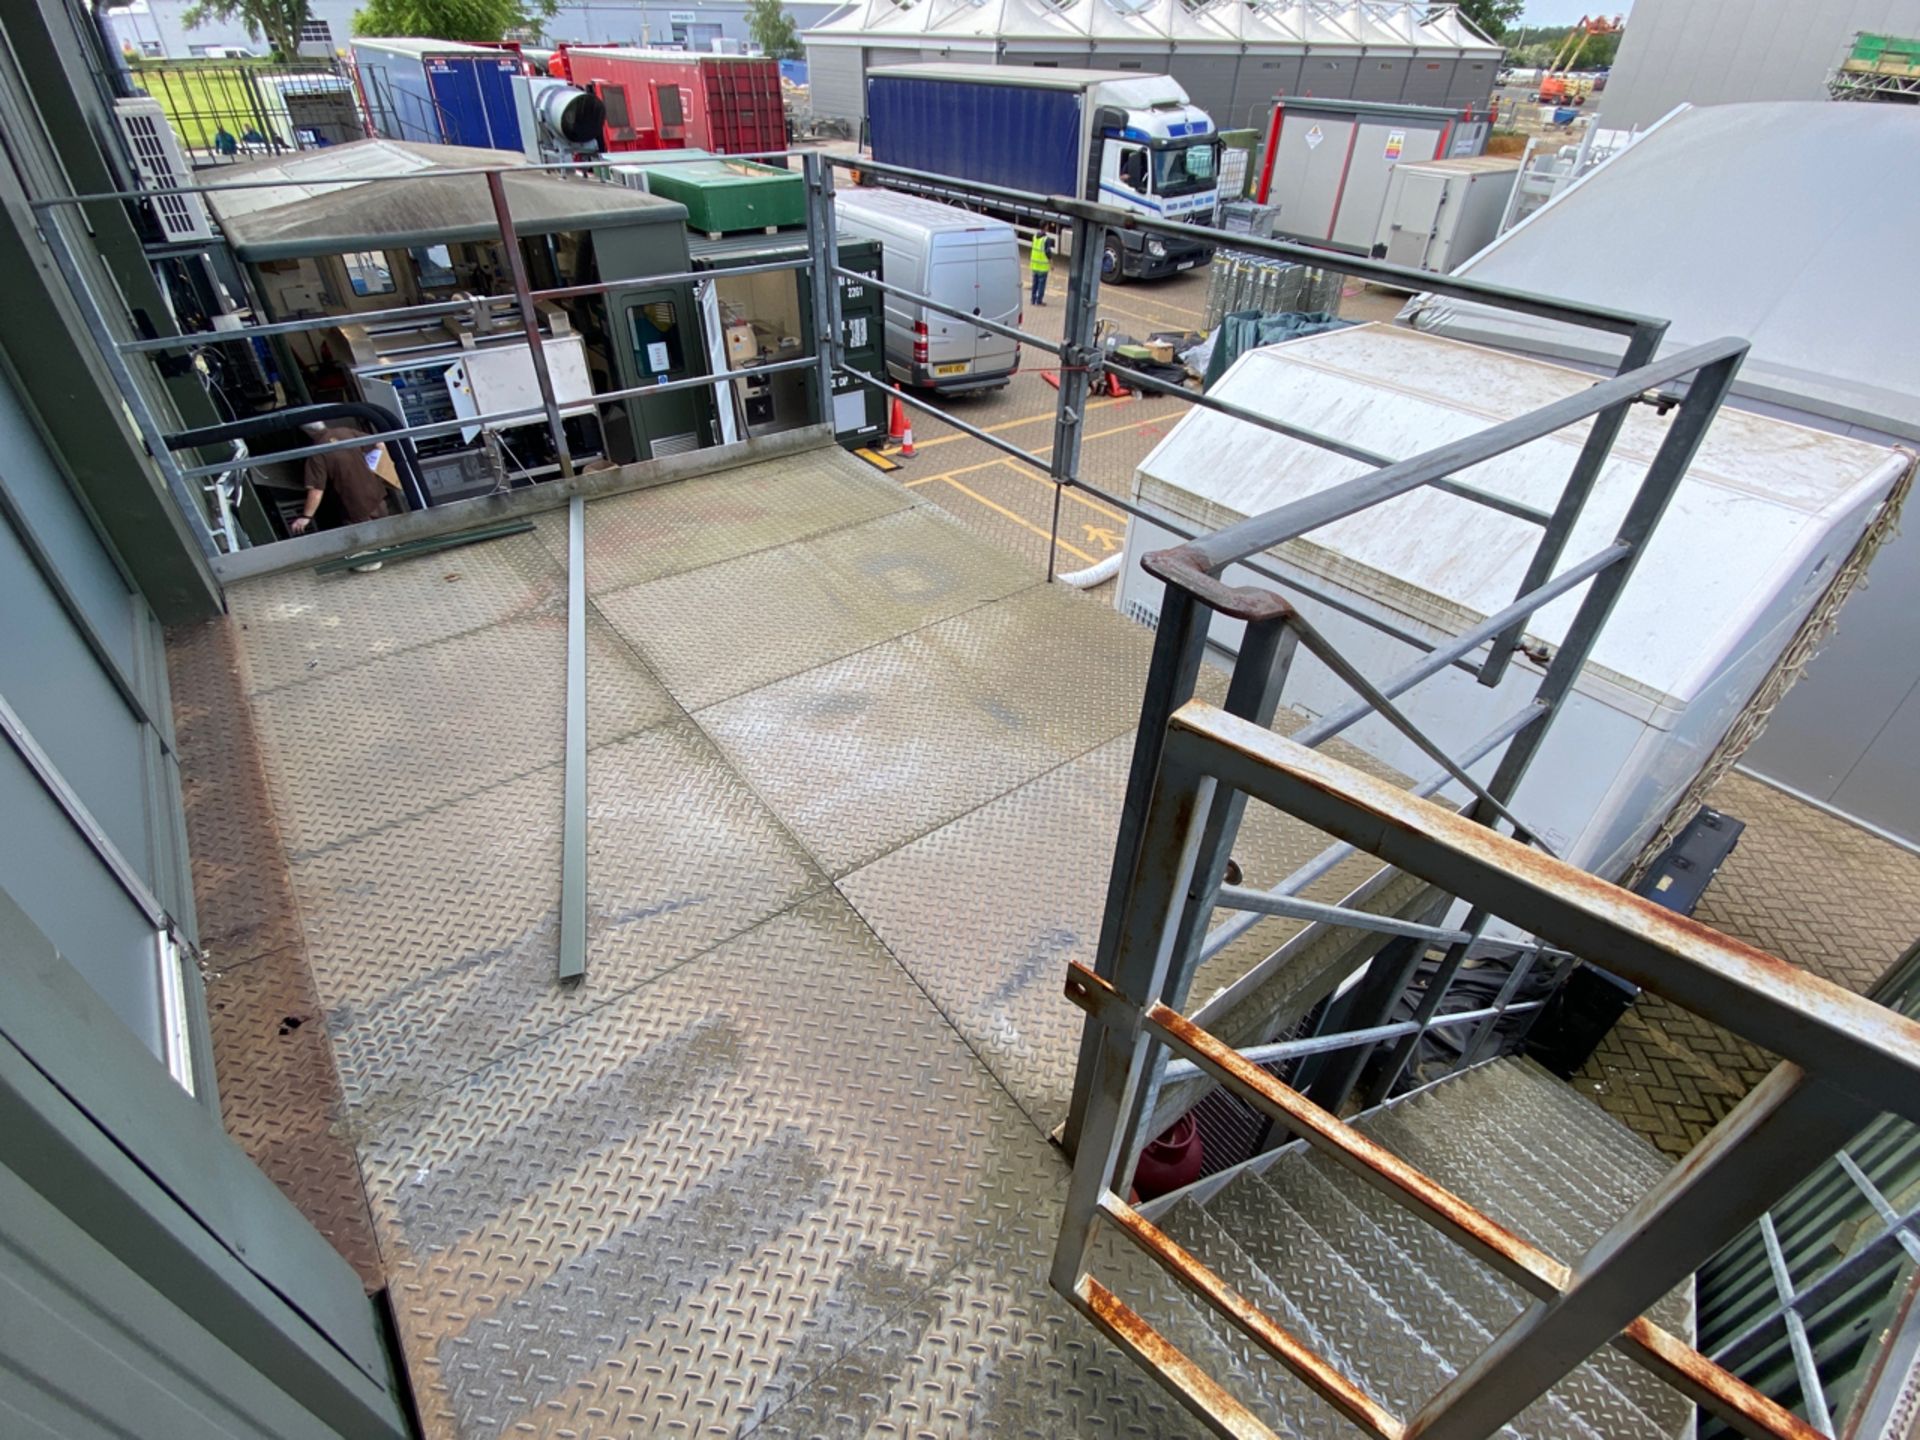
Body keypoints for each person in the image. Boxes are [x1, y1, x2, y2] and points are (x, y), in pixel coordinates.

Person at [289, 422, 397, 570]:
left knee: (361, 536)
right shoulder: (346, 431)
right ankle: (388, 549)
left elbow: (316, 491)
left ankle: (372, 560)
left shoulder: (317, 452)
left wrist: (306, 517)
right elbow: (379, 444)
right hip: (374, 489)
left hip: (352, 501)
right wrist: (370, 467)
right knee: (381, 522)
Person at [1029, 228, 1055, 307]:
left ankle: (1033, 300)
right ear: (1046, 227)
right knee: (1041, 285)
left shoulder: (1035, 236)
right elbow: (1047, 252)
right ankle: (1039, 301)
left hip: (1035, 265)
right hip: (1042, 267)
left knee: (1035, 283)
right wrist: (1051, 263)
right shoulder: (1046, 239)